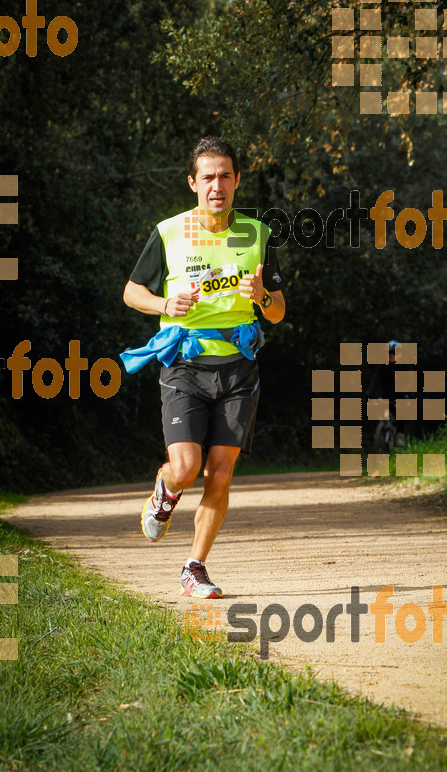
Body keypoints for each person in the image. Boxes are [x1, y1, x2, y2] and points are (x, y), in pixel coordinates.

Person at [121, 137, 285, 598]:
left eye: (225, 176)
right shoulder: (170, 232)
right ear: (193, 183)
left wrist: (263, 298)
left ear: (237, 181)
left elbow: (278, 310)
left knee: (221, 471)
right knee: (187, 467)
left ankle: (194, 567)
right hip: (185, 365)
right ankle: (165, 491)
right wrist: (164, 301)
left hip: (239, 367)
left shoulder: (256, 234)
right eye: (208, 177)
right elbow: (131, 291)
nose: (218, 185)